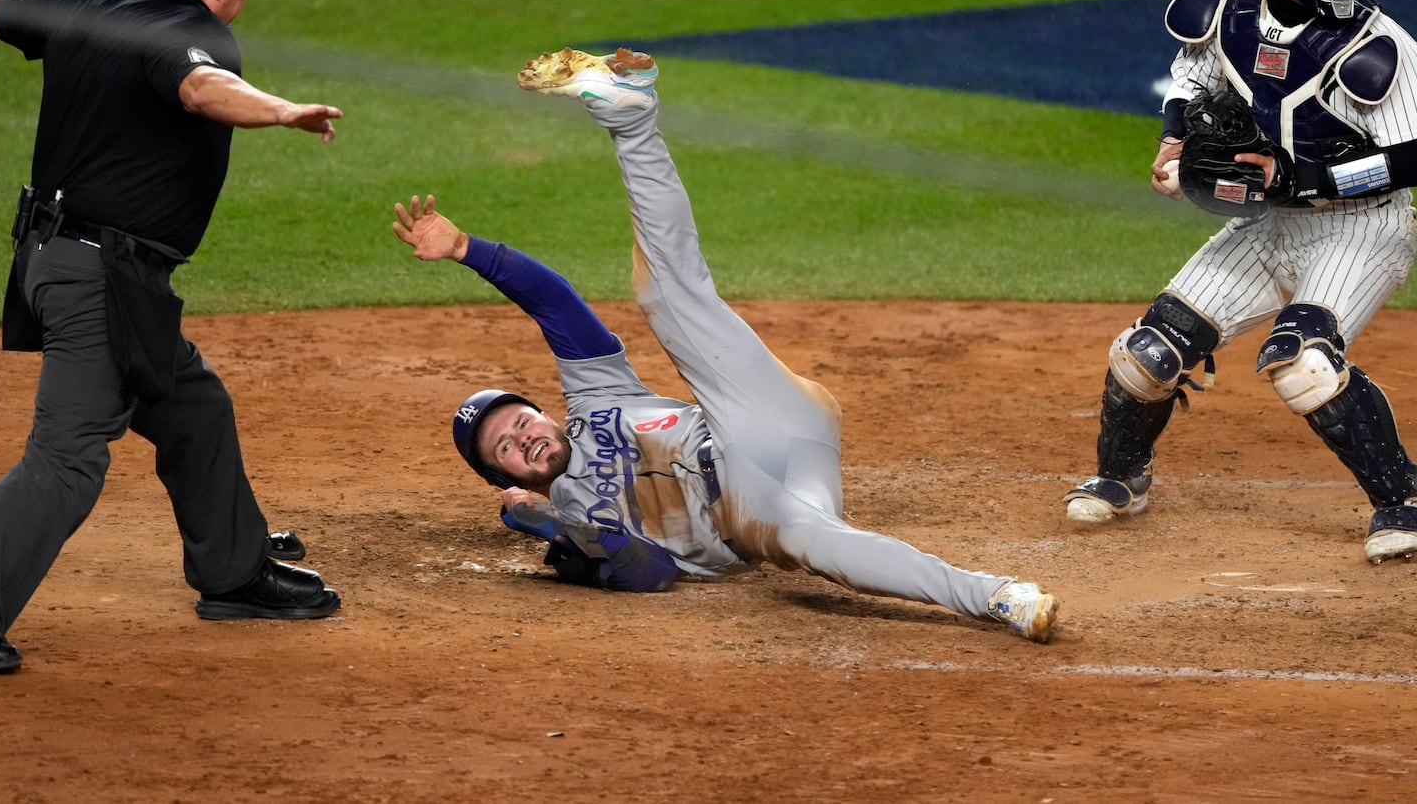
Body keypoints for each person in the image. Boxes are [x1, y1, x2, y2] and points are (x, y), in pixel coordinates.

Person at [390, 46, 1059, 643]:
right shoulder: (566, 519)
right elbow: (648, 574)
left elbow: (554, 302)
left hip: (751, 414)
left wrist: (466, 249)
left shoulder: (594, 396)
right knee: (812, 542)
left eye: (521, 418)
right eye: (505, 447)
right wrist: (552, 524)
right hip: (757, 508)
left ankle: (631, 118)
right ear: (506, 477)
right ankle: (995, 595)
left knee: (669, 293)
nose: (525, 437)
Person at [0, 0, 344, 675]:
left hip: (64, 258)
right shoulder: (195, 31)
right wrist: (280, 110)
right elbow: (202, 87)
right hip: (98, 273)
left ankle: (234, 570)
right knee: (69, 457)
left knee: (193, 406)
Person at [1062, 0, 1417, 564]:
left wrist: (1304, 178)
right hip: (1270, 226)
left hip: (1361, 227)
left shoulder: (1382, 46)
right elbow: (1192, 74)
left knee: (1303, 363)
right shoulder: (1235, 13)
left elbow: (1407, 163)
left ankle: (1406, 498)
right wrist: (1175, 139)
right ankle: (1122, 475)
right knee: (1148, 353)